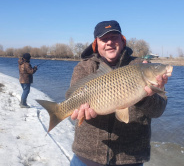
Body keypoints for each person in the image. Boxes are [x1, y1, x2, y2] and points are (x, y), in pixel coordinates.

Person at [67, 20, 168, 166]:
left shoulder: (143, 67)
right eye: (103, 39)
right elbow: (73, 101)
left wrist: (143, 97)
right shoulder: (83, 67)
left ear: (122, 40)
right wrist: (78, 113)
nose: (109, 42)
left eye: (114, 37)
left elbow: (159, 110)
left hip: (131, 158)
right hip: (87, 157)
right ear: (96, 43)